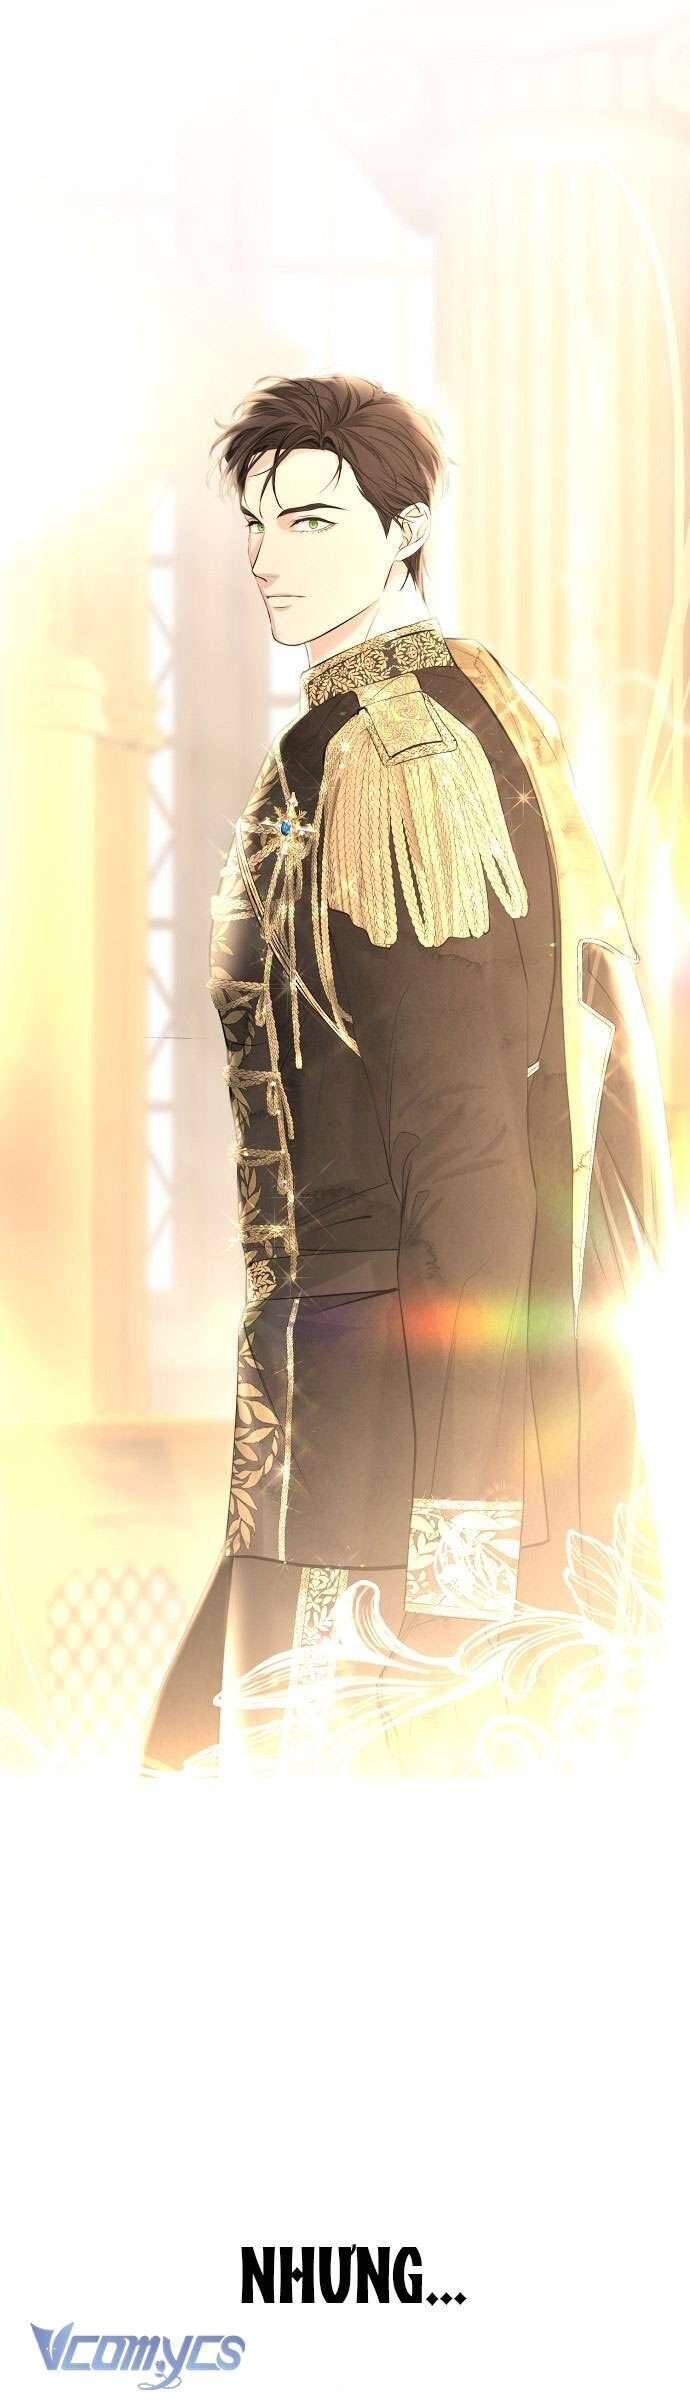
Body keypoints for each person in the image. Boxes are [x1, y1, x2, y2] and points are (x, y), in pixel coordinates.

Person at [143, 374, 671, 1775]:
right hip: (362, 1402)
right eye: (257, 526)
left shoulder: (391, 758)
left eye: (313, 521)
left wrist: (464, 1524)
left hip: (391, 1424)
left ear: (406, 531)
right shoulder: (429, 717)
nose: (270, 559)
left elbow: (467, 1133)